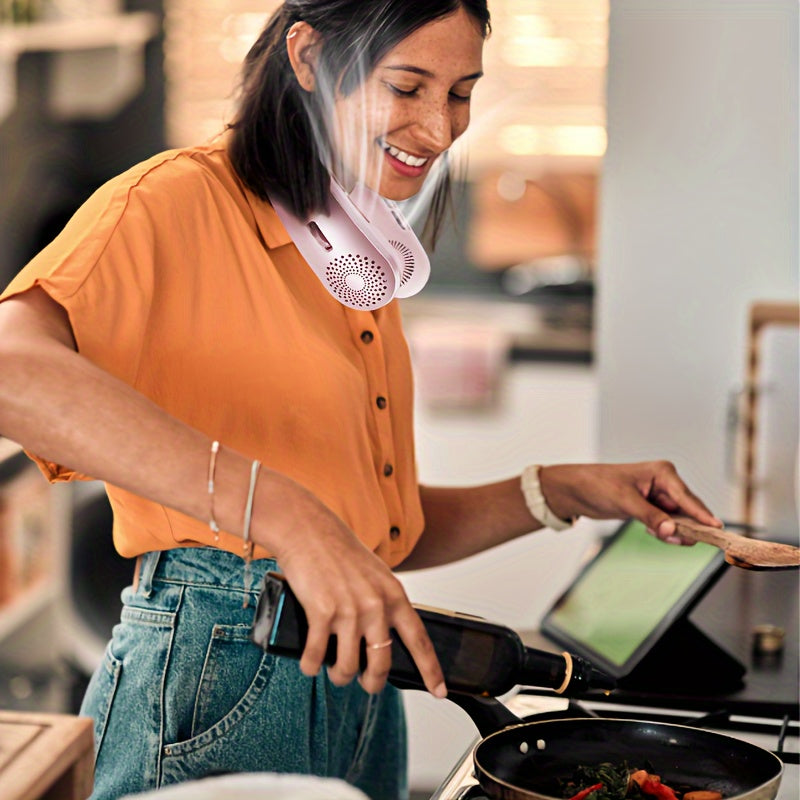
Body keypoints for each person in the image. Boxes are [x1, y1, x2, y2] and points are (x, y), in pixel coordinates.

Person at [0, 1, 723, 798]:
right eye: (407, 87)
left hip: (360, 676)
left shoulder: (351, 247)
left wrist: (556, 491)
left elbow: (376, 531)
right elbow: (10, 367)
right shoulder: (172, 203)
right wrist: (284, 512)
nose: (442, 130)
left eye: (460, 93)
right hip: (222, 666)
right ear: (306, 58)